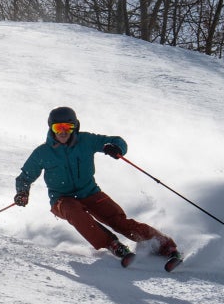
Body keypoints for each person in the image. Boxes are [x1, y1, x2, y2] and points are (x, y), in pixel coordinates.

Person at [13, 106, 182, 270]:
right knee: (74, 211)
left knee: (118, 221)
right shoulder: (43, 152)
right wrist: (22, 193)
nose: (63, 131)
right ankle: (113, 244)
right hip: (62, 200)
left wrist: (116, 148)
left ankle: (164, 245)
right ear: (51, 128)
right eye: (58, 127)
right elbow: (25, 177)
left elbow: (117, 141)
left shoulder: (85, 141)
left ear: (75, 127)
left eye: (68, 127)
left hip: (90, 192)